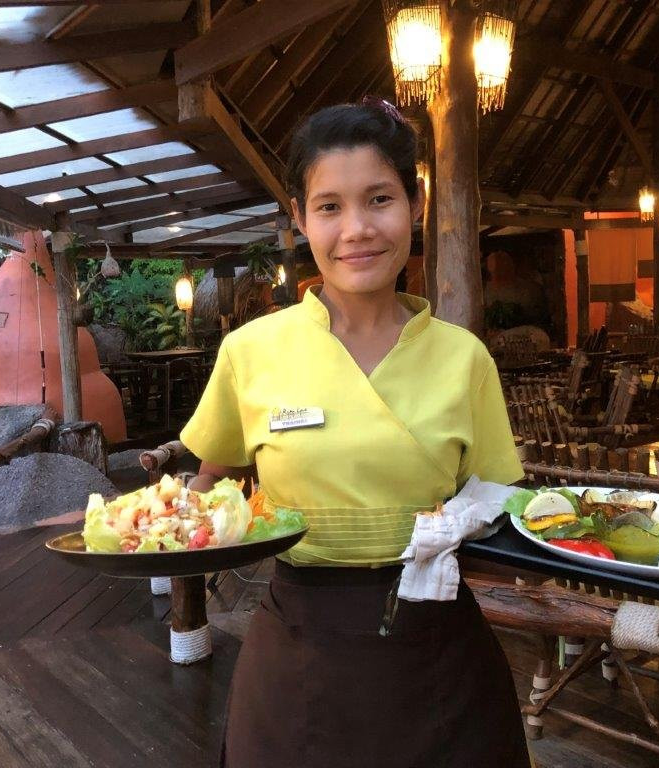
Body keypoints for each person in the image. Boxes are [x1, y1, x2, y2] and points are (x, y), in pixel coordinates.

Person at [181, 99, 530, 768]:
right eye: (329, 207)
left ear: (415, 203)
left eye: (379, 199)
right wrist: (174, 528)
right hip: (298, 655)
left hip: (438, 657)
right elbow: (208, 487)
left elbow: (499, 505)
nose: (357, 230)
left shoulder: (464, 359)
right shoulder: (251, 352)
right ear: (299, 217)